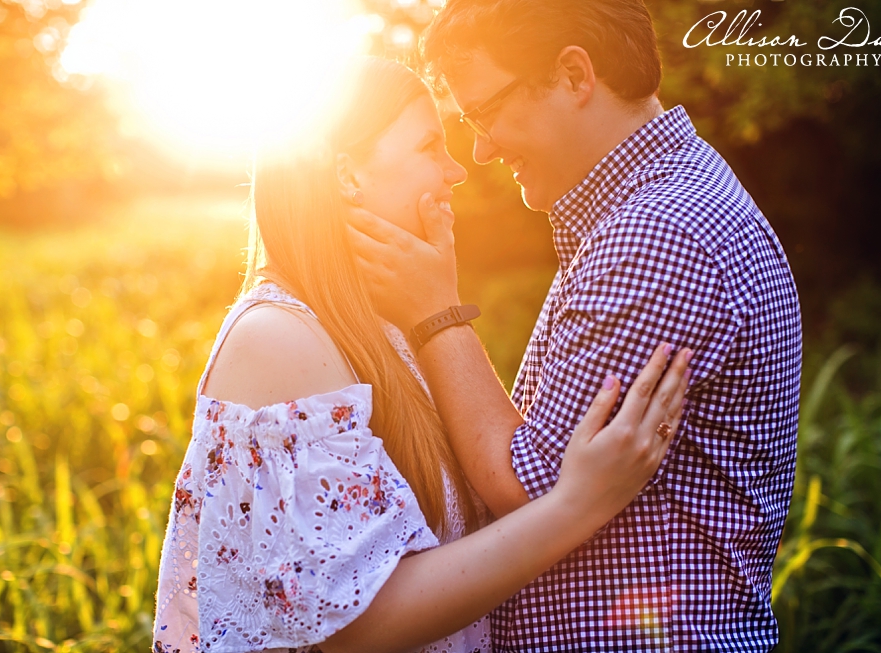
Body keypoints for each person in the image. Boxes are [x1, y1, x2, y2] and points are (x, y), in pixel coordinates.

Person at [151, 56, 691, 653]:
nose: (457, 169)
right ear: (347, 175)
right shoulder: (276, 339)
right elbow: (360, 620)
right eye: (430, 146)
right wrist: (575, 506)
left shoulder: (380, 328)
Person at [347, 1, 804, 651]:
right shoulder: (657, 204)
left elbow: (528, 482)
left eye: (487, 113)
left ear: (572, 75)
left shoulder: (656, 235)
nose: (480, 148)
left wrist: (434, 312)